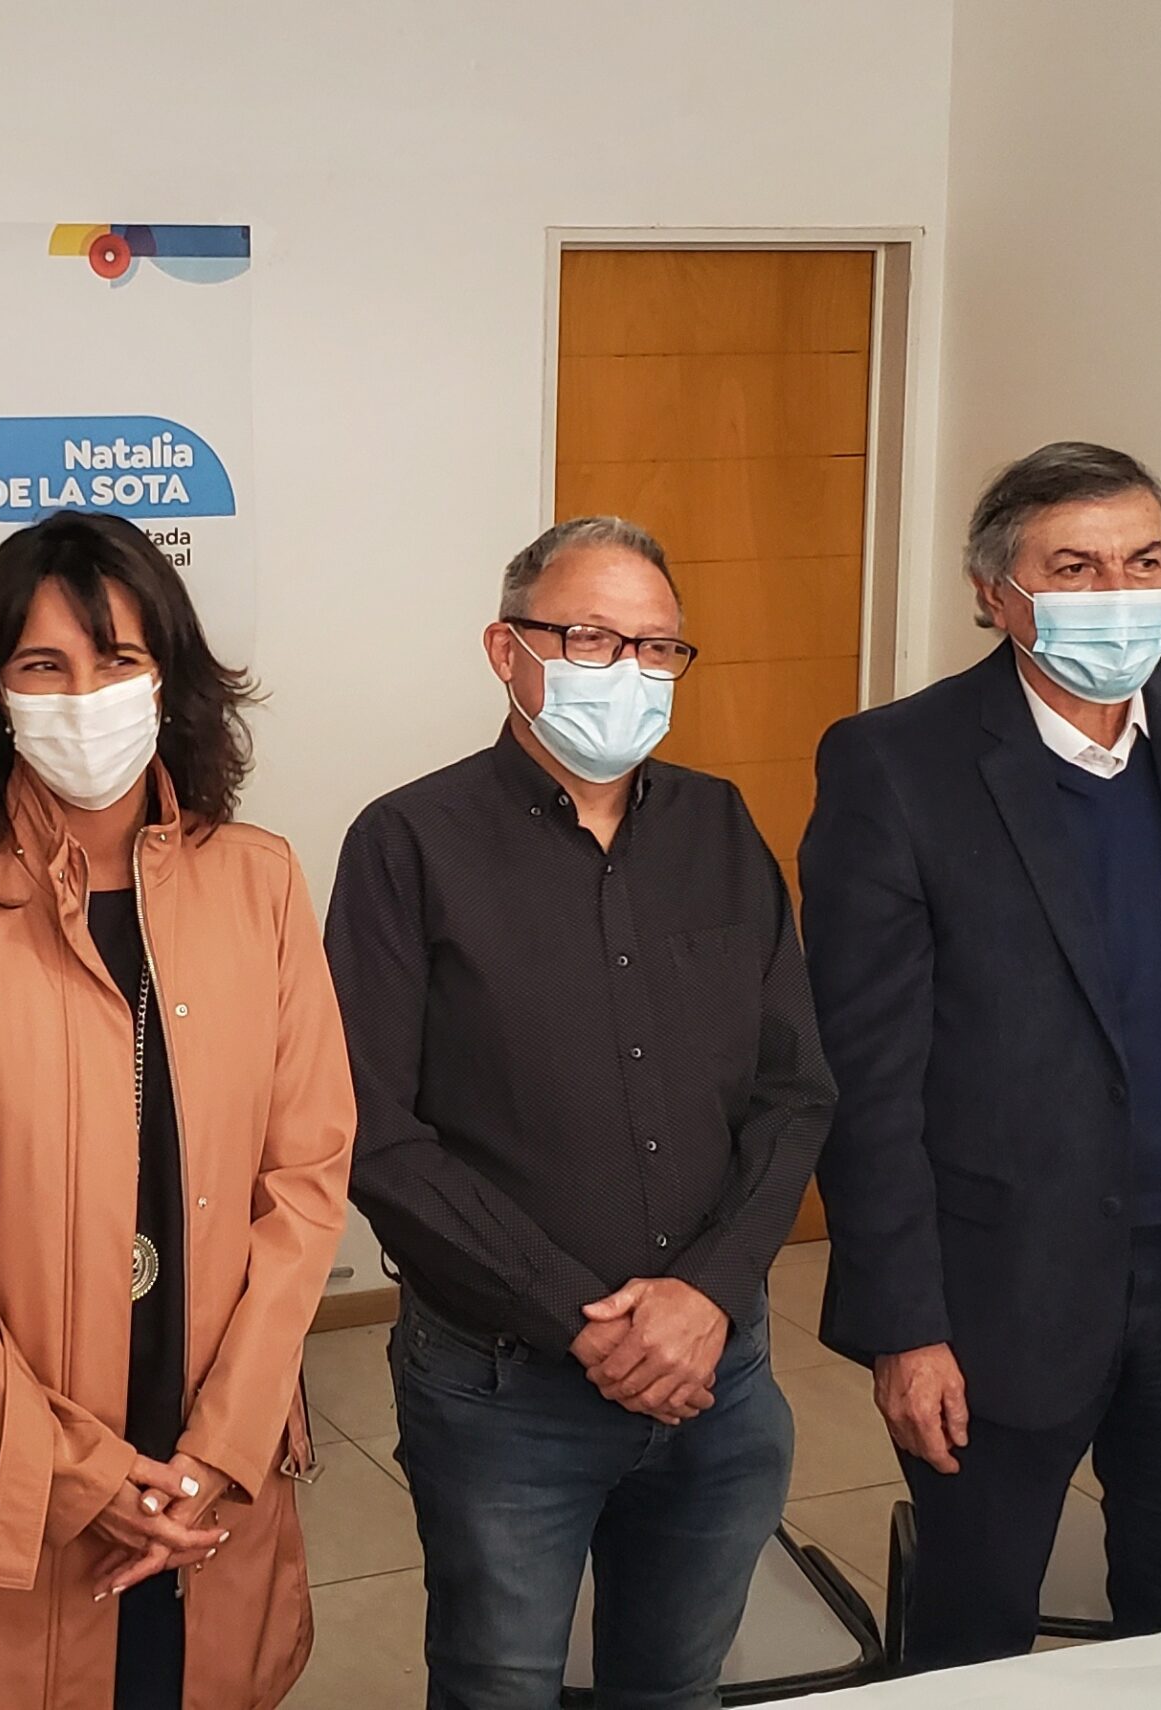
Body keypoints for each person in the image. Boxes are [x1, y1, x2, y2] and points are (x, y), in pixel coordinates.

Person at [0, 510, 355, 1710]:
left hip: (209, 1460)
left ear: (170, 679)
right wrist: (75, 1473)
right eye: (42, 665)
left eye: (116, 660)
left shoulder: (260, 882)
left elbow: (305, 1185)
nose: (83, 697)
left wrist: (219, 1449)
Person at [800, 442, 1161, 1670]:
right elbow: (865, 1078)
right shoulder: (893, 763)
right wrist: (903, 1326)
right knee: (973, 1638)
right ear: (995, 593)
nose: (1116, 592)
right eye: (1073, 568)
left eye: (1142, 560)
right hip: (995, 1293)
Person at [325, 516, 833, 1710]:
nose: (630, 671)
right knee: (498, 1686)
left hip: (718, 1371)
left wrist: (704, 1298)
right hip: (507, 1392)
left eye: (657, 647)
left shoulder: (719, 827)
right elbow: (371, 1129)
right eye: (593, 638)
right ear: (506, 651)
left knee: (675, 1683)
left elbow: (793, 1089)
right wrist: (584, 1322)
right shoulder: (408, 843)